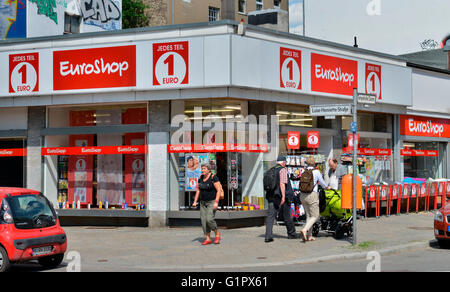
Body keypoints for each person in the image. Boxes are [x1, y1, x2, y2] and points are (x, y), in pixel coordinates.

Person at [264, 155, 297, 243]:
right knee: (287, 215)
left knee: (270, 216)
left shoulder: (271, 170)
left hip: (271, 196)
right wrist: (283, 196)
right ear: (283, 162)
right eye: (285, 163)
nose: (285, 164)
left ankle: (268, 236)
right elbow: (282, 184)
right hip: (282, 196)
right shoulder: (283, 170)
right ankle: (292, 233)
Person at [192, 163, 223, 245]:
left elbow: (219, 190)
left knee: (209, 219)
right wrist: (195, 201)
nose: (202, 170)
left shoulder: (214, 177)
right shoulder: (200, 178)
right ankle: (208, 238)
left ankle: (217, 233)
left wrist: (216, 202)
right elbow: (198, 190)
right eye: (202, 169)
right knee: (203, 221)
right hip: (203, 203)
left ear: (209, 170)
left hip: (211, 202)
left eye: (204, 169)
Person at [300, 156, 328, 242]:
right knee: (315, 215)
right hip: (312, 195)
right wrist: (327, 187)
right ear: (314, 163)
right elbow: (323, 183)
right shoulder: (316, 172)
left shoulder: (304, 172)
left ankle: (309, 236)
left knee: (309, 216)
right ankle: (305, 229)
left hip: (303, 195)